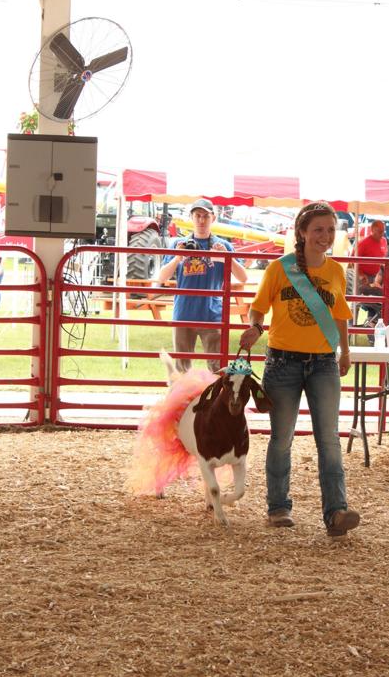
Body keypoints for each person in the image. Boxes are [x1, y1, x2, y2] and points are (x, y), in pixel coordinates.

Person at [239, 201, 360, 537]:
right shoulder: (280, 268)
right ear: (303, 233)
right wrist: (256, 328)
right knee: (281, 439)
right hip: (283, 361)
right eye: (318, 229)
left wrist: (345, 352)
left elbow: (340, 317)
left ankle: (336, 512)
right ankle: (278, 508)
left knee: (329, 440)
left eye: (330, 230)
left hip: (323, 362)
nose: (325, 236)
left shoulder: (336, 271)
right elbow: (258, 308)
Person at [157, 198, 248, 372]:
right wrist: (177, 257)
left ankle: (216, 400)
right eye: (197, 215)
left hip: (212, 314)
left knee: (217, 369)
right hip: (184, 313)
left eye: (206, 216)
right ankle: (184, 400)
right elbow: (162, 277)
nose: (201, 220)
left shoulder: (223, 246)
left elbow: (242, 277)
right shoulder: (178, 244)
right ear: (191, 217)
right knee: (182, 369)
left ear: (213, 219)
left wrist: (225, 258)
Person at [352, 220, 388, 326]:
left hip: (376, 276)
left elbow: (383, 259)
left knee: (375, 302)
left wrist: (379, 276)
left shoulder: (384, 241)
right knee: (357, 300)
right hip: (362, 276)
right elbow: (352, 261)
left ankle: (371, 324)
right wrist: (361, 275)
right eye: (379, 231)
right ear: (372, 230)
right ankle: (350, 325)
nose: (381, 234)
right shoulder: (363, 243)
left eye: (383, 231)